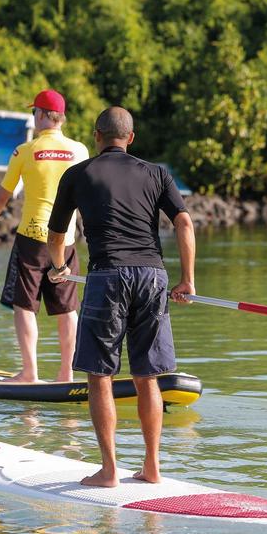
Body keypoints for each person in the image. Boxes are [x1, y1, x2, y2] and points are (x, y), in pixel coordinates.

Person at [47, 106, 196, 487]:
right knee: (147, 376)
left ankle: (110, 470)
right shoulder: (157, 173)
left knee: (100, 376)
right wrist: (187, 280)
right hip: (152, 276)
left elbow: (57, 234)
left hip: (107, 275)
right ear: (131, 138)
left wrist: (58, 266)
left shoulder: (79, 173)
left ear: (97, 136)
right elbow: (183, 221)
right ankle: (152, 468)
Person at [0, 89, 89, 383]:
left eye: (34, 112)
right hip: (66, 240)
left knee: (25, 305)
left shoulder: (24, 151)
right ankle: (67, 374)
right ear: (61, 118)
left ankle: (29, 373)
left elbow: (3, 194)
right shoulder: (80, 151)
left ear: (40, 115)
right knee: (67, 309)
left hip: (33, 238)